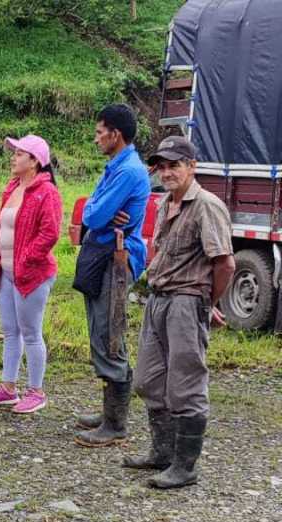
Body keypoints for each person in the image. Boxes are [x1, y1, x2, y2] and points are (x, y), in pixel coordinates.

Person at [123, 136, 234, 489]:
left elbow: (225, 265)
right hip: (158, 299)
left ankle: (185, 467)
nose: (167, 172)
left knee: (185, 383)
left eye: (175, 165)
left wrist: (207, 303)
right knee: (147, 380)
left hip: (186, 301)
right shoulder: (164, 204)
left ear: (192, 166)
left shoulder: (206, 205)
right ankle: (162, 452)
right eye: (163, 166)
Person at [73, 104, 151, 447]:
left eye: (98, 132)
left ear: (115, 134)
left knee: (110, 332)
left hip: (117, 260)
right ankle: (109, 412)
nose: (96, 139)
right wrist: (96, 212)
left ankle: (116, 423)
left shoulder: (129, 171)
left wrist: (96, 212)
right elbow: (93, 210)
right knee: (99, 328)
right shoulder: (116, 167)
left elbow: (94, 214)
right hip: (102, 256)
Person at [0, 135, 62, 413]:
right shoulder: (13, 187)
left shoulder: (46, 192)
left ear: (35, 161)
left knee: (31, 333)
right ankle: (8, 388)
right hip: (6, 272)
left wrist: (25, 260)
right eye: (14, 153)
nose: (13, 157)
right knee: (10, 331)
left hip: (31, 275)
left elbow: (49, 233)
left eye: (19, 153)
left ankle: (36, 391)